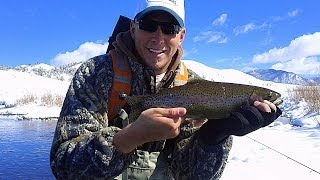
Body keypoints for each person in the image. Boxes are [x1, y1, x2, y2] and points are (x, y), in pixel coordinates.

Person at [50, 0, 282, 179]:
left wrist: (214, 138)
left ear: (181, 36)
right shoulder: (96, 73)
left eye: (169, 28)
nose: (158, 38)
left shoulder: (193, 84)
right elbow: (64, 167)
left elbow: (190, 175)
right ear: (133, 28)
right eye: (149, 26)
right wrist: (129, 138)